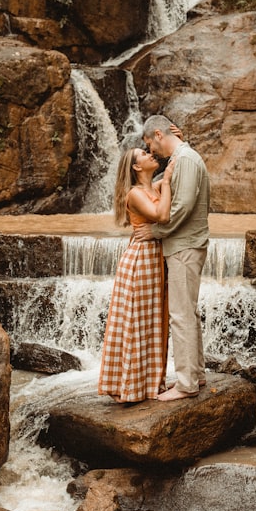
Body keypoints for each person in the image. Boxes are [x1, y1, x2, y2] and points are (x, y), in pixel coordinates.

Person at [134, 114, 210, 401]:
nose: (151, 151)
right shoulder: (183, 158)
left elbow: (181, 208)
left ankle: (186, 384)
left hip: (184, 246)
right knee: (188, 313)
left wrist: (154, 231)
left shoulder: (186, 160)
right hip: (185, 245)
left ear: (157, 134)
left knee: (180, 315)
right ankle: (197, 375)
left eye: (149, 145)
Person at [97, 146, 175, 403]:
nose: (151, 154)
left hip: (156, 259)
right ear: (136, 167)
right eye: (143, 153)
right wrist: (167, 182)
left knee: (154, 320)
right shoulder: (135, 193)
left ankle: (150, 384)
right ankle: (129, 386)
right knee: (136, 321)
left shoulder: (154, 187)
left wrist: (177, 145)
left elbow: (175, 164)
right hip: (141, 261)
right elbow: (162, 215)